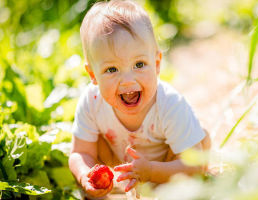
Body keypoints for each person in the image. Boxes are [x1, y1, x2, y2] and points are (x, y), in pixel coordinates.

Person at [68, 0, 211, 199]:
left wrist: (151, 171)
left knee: (198, 142)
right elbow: (79, 153)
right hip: (120, 170)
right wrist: (86, 175)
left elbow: (195, 165)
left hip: (167, 171)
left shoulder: (170, 105)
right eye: (111, 69)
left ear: (157, 63)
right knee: (91, 147)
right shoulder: (92, 102)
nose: (127, 80)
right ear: (93, 74)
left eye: (139, 64)